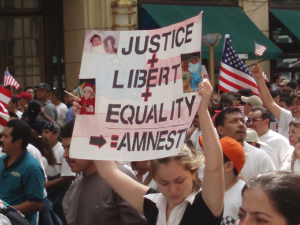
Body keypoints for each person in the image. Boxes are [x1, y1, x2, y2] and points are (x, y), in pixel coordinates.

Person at [88, 80, 224, 224]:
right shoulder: (152, 204)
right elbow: (108, 172)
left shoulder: (206, 205)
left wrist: (202, 110)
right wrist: (88, 115)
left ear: (193, 172)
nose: (173, 190)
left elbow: (215, 166)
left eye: (179, 180)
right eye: (163, 183)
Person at [61, 120, 147, 225]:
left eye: (71, 147)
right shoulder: (73, 189)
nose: (65, 154)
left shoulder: (120, 178)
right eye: (64, 148)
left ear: (90, 143)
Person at [0, 120, 44, 225]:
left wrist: (6, 212)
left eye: (6, 137)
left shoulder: (32, 168)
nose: (1, 139)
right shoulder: (2, 160)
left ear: (18, 142)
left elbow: (36, 204)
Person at [215, 107, 275, 180]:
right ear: (220, 129)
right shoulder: (210, 157)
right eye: (234, 121)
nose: (241, 125)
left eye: (243, 121)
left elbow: (271, 189)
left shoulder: (260, 157)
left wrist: (244, 185)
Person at [199, 135, 246, 225]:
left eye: (211, 159)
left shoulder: (244, 195)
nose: (205, 163)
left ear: (228, 166)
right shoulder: (205, 191)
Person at [252, 63, 299, 138]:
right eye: (292, 104)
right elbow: (269, 103)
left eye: (298, 103)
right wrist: (260, 78)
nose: (294, 107)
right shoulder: (287, 116)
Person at [42, 122, 75, 224]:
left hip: (60, 190)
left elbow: (69, 175)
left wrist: (49, 184)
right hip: (47, 188)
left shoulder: (62, 150)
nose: (43, 135)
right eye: (42, 132)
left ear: (56, 135)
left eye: (47, 132)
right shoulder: (43, 150)